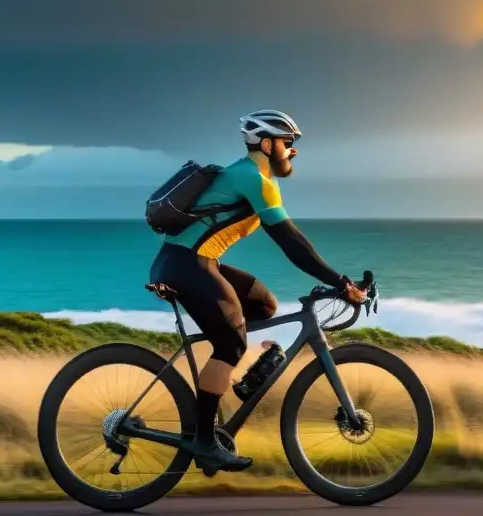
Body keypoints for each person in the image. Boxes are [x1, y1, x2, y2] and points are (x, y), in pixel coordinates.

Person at [148, 109, 368, 472]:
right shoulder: (252, 178)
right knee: (230, 343)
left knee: (263, 304)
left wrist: (336, 280)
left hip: (196, 261)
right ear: (266, 144)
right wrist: (340, 283)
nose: (293, 151)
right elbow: (291, 242)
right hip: (186, 265)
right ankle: (204, 442)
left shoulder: (257, 177)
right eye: (288, 143)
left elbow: (291, 241)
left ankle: (247, 379)